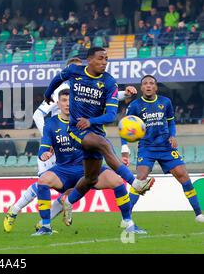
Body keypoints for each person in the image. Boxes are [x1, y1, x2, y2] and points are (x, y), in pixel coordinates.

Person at [4, 58, 138, 230]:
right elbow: (38, 114)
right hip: (56, 142)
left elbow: (103, 96)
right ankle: (15, 210)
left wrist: (124, 94)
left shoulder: (85, 87)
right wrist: (49, 138)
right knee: (43, 184)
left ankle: (45, 222)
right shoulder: (59, 91)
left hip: (76, 142)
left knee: (72, 189)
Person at [43, 47, 154, 227]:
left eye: (106, 59)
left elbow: (111, 115)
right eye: (100, 59)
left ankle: (69, 201)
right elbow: (57, 79)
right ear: (89, 60)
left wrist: (91, 120)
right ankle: (135, 183)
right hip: (75, 130)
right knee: (102, 144)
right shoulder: (74, 71)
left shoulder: (109, 83)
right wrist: (48, 93)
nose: (104, 62)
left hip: (93, 129)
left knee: (90, 179)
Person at [32, 89, 144, 235]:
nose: (67, 104)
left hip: (89, 169)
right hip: (64, 171)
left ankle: (128, 222)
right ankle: (46, 226)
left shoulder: (84, 120)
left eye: (70, 100)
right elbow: (44, 147)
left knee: (117, 181)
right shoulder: (51, 124)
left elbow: (102, 138)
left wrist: (123, 95)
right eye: (64, 101)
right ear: (57, 104)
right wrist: (44, 154)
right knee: (43, 181)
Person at [121, 75, 204, 223]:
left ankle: (198, 214)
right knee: (140, 180)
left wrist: (172, 135)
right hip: (147, 148)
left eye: (151, 83)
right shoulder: (135, 106)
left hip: (166, 147)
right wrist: (124, 148)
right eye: (145, 83)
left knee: (183, 175)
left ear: (156, 87)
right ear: (141, 88)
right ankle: (126, 218)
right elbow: (123, 128)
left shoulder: (165, 102)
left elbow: (171, 122)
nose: (148, 85)